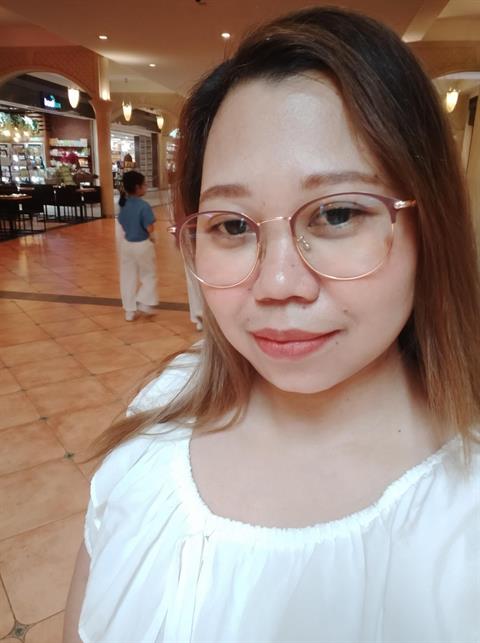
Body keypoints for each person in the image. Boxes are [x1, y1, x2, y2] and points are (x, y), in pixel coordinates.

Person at [64, 7, 480, 643]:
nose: (278, 283)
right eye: (232, 225)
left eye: (337, 214)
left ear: (432, 226)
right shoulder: (158, 414)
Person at [117, 170, 158, 321]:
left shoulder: (123, 205)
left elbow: (122, 223)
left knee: (127, 277)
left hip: (127, 245)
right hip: (142, 245)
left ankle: (129, 311)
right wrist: (152, 236)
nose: (146, 187)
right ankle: (144, 303)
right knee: (148, 275)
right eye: (144, 185)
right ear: (137, 187)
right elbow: (149, 228)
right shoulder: (144, 206)